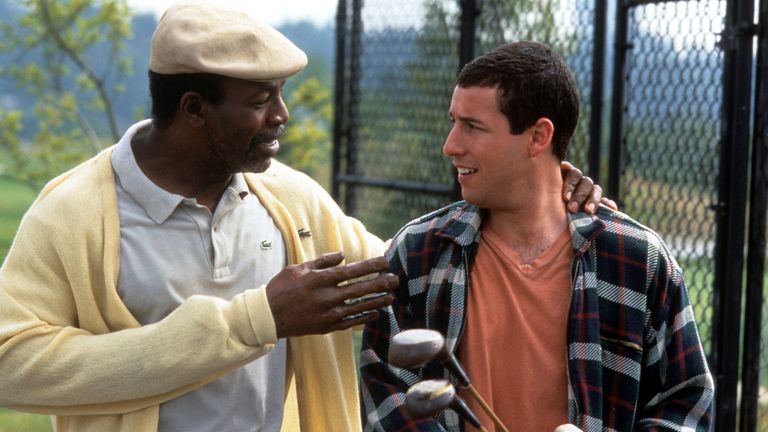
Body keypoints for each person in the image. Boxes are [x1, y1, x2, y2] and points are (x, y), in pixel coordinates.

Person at [0, 3, 603, 431]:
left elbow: (411, 271)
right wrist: (256, 319)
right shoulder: (76, 213)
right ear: (193, 109)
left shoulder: (287, 197)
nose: (283, 115)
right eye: (261, 100)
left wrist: (539, 185)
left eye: (282, 93)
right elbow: (11, 364)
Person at [360, 41, 715, 432]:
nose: (451, 145)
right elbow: (386, 387)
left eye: (473, 127)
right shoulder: (418, 253)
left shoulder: (637, 259)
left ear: (538, 136)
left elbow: (687, 402)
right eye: (453, 122)